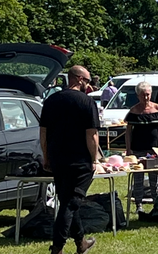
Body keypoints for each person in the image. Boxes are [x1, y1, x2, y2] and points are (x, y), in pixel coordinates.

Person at [40, 65, 100, 254]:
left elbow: (43, 134)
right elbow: (92, 135)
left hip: (58, 158)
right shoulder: (86, 102)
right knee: (71, 203)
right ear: (79, 79)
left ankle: (81, 243)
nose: (89, 85)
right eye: (88, 81)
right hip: (80, 160)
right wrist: (95, 159)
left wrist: (46, 156)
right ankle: (57, 248)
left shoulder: (51, 101)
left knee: (67, 200)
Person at [125, 81, 158, 213]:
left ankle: (157, 204)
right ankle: (139, 205)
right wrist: (128, 148)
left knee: (155, 177)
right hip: (138, 148)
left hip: (154, 149)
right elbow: (128, 131)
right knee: (138, 178)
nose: (146, 98)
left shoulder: (157, 109)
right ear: (138, 96)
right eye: (143, 95)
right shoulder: (134, 111)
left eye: (148, 94)